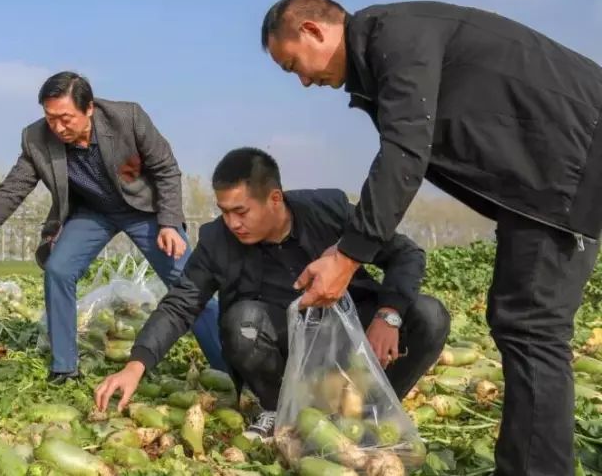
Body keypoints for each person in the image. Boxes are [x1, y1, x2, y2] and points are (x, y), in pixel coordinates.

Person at [261, 0, 602, 475]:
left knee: (531, 325)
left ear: (314, 30)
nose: (303, 80)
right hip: (544, 179)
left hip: (565, 167)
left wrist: (348, 255)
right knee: (522, 322)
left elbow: (405, 152)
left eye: (293, 64)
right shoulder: (385, 52)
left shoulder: (395, 37)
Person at [95, 148, 449, 438]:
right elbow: (181, 303)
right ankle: (278, 410)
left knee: (429, 316)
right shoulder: (218, 241)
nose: (232, 223)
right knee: (242, 322)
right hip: (284, 348)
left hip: (349, 333)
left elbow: (406, 253)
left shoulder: (328, 210)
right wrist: (136, 364)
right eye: (225, 212)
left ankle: (375, 410)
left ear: (275, 199)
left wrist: (389, 314)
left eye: (241, 211)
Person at [0, 71, 226, 383]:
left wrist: (169, 223)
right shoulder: (36, 139)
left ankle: (227, 366)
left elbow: (165, 169)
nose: (58, 127)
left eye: (66, 118)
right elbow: (13, 187)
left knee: (188, 284)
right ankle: (64, 366)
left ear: (89, 109)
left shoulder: (128, 118)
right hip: (92, 212)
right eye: (50, 118)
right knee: (59, 269)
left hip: (144, 210)